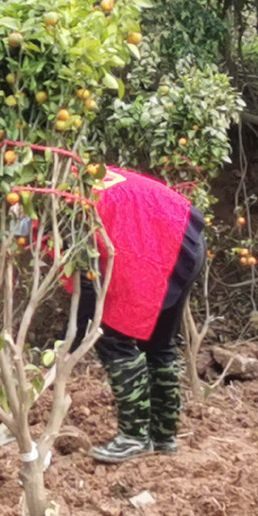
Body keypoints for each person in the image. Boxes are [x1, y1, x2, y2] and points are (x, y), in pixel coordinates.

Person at [75, 167, 206, 463]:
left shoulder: (64, 198)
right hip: (185, 235)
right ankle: (163, 436)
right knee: (159, 342)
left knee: (111, 337)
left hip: (159, 244)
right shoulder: (84, 174)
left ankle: (133, 438)